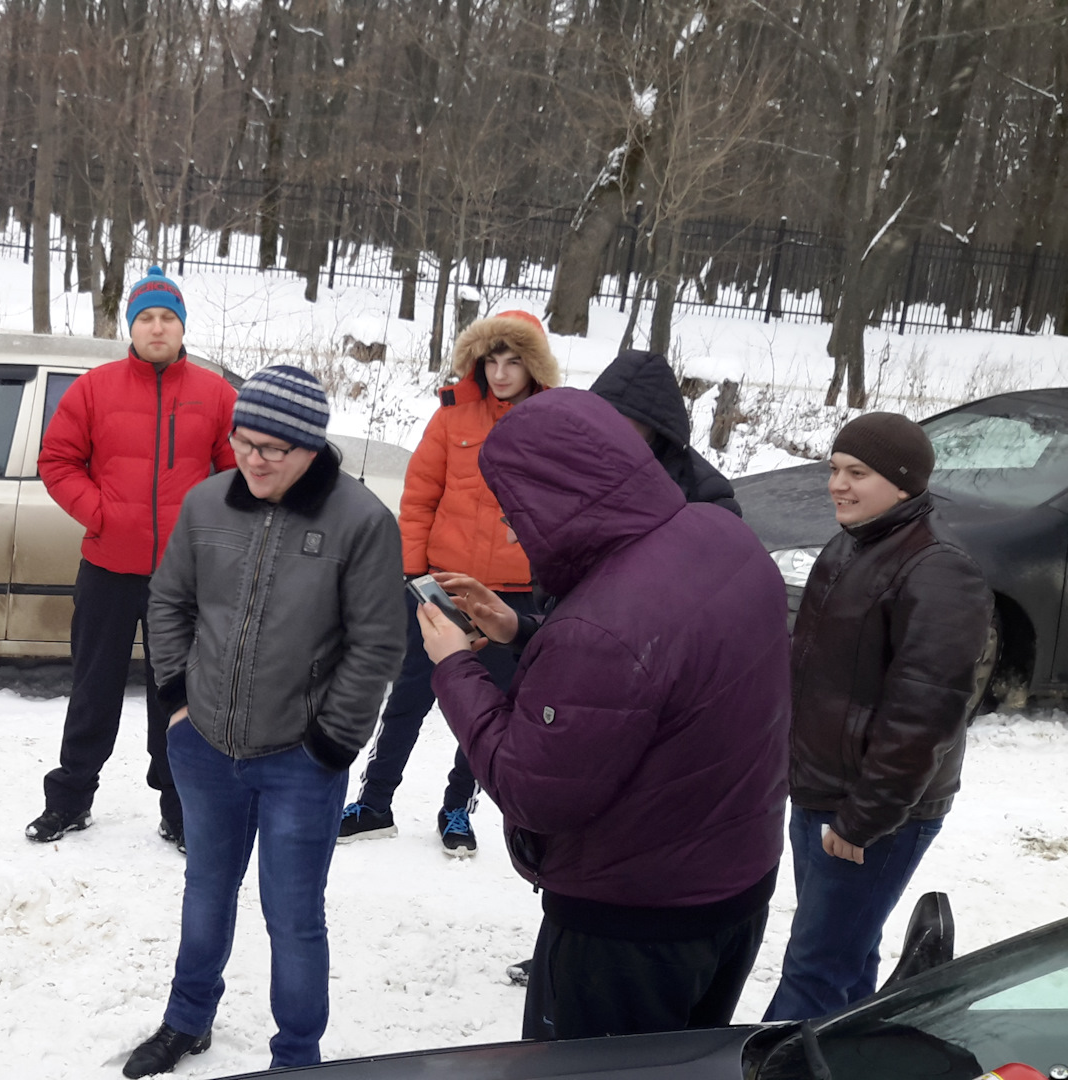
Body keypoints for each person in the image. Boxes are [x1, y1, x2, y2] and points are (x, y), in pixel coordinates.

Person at [419, 388, 789, 1041]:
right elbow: (657, 668)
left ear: (557, 495)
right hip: (735, 888)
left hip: (631, 926)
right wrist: (520, 627)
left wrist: (455, 666)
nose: (510, 525)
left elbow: (533, 790)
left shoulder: (602, 627)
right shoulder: (719, 534)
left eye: (515, 507)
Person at [125, 366, 403, 1076]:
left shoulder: (362, 522)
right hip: (206, 746)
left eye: (273, 448)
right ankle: (187, 1020)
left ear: (311, 448)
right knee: (206, 892)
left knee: (294, 919)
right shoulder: (206, 504)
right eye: (243, 441)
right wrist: (178, 703)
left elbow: (376, 645)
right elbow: (168, 602)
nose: (253, 459)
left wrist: (330, 743)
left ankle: (297, 1057)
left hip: (298, 763)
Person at [764, 412, 992, 1021]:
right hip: (823, 792)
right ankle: (862, 1055)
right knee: (848, 956)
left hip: (878, 812)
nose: (838, 484)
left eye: (857, 472)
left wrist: (865, 819)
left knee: (813, 973)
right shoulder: (853, 543)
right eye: (834, 469)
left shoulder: (939, 570)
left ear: (903, 481)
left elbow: (926, 715)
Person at [26, 265, 238, 850]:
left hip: (183, 578)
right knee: (93, 687)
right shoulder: (95, 389)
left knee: (177, 697)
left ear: (182, 326)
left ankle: (179, 809)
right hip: (108, 568)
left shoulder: (216, 394)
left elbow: (237, 475)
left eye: (167, 317)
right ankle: (69, 801)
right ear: (132, 326)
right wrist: (102, 514)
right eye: (146, 317)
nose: (157, 327)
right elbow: (57, 461)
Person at [338, 309, 555, 855]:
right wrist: (413, 573)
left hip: (512, 594)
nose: (501, 373)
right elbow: (418, 500)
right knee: (409, 694)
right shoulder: (453, 417)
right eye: (491, 360)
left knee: (489, 707)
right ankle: (375, 803)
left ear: (533, 365)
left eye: (514, 361)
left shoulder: (555, 421)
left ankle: (458, 807)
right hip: (443, 585)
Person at [589, 349, 741, 514]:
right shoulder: (568, 460)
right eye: (598, 424)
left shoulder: (705, 498)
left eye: (623, 432)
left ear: (654, 432)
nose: (606, 438)